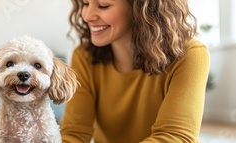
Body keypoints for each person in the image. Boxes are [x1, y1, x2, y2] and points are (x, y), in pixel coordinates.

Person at [60, 0, 209, 142]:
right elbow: (74, 133)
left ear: (140, 7)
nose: (87, 16)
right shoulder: (84, 56)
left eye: (103, 5)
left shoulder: (190, 54)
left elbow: (176, 137)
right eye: (86, 3)